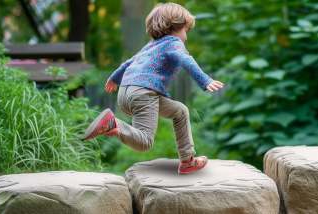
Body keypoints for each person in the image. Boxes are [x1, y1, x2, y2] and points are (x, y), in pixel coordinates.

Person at [83, 2, 223, 175]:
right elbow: (186, 60)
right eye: (185, 30)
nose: (186, 37)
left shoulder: (151, 45)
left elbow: (128, 62)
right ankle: (113, 124)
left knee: (180, 111)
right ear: (174, 27)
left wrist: (114, 78)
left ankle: (187, 161)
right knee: (144, 142)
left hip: (125, 94)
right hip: (144, 93)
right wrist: (205, 80)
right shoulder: (173, 43)